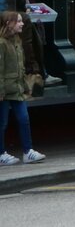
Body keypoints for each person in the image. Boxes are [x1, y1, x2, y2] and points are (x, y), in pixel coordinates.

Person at [0, 10, 46, 164]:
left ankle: (28, 151)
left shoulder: (17, 41)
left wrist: (25, 85)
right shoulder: (2, 43)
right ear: (9, 24)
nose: (22, 24)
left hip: (17, 88)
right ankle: (1, 153)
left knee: (24, 119)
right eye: (18, 21)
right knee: (2, 122)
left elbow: (20, 67)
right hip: (4, 90)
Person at [2, 0, 51, 92]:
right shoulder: (23, 18)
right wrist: (33, 66)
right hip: (22, 65)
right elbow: (27, 43)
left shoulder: (4, 15)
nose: (21, 24)